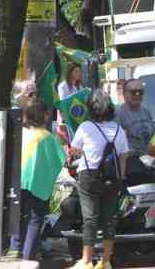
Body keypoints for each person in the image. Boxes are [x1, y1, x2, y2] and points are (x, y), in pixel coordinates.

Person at [69, 90, 129, 269]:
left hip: (89, 177)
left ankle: (86, 261)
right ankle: (106, 261)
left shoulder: (86, 127)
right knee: (109, 219)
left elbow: (75, 150)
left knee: (90, 219)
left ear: (91, 109)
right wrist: (121, 179)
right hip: (112, 179)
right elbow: (123, 157)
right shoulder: (118, 129)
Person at [10, 99, 66, 261]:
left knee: (17, 219)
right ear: (45, 115)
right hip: (38, 187)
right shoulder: (46, 137)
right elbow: (59, 160)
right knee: (34, 221)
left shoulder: (21, 133)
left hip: (17, 183)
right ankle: (28, 259)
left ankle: (14, 255)